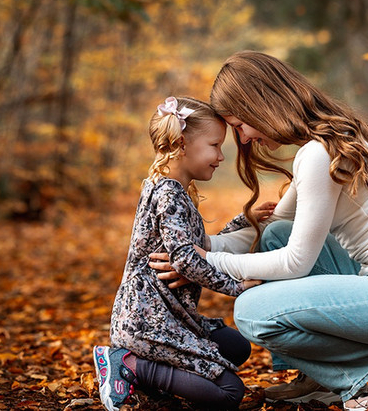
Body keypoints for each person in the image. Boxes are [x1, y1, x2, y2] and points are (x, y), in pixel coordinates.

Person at [153, 51, 368, 410]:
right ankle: (320, 377)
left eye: (240, 125)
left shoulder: (318, 154)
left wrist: (214, 262)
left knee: (253, 312)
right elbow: (269, 230)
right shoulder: (324, 145)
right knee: (276, 235)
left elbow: (297, 262)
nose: (243, 138)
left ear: (262, 106)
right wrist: (189, 247)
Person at [92, 96, 272, 411]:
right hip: (149, 322)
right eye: (215, 145)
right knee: (230, 393)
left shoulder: (169, 188)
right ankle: (132, 366)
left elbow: (199, 246)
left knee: (237, 348)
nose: (220, 156)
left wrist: (247, 221)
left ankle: (150, 377)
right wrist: (236, 286)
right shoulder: (167, 194)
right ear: (181, 143)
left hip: (167, 315)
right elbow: (187, 259)